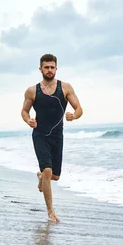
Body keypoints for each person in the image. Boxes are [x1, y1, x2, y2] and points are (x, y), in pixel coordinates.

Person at [21, 54, 83, 222]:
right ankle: (50, 211)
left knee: (54, 176)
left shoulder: (66, 88)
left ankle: (41, 177)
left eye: (52, 67)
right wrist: (29, 120)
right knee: (48, 170)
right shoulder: (32, 91)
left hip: (57, 136)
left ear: (56, 69)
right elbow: (24, 111)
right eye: (46, 67)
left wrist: (74, 116)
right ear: (40, 69)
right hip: (40, 135)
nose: (49, 70)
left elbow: (79, 109)